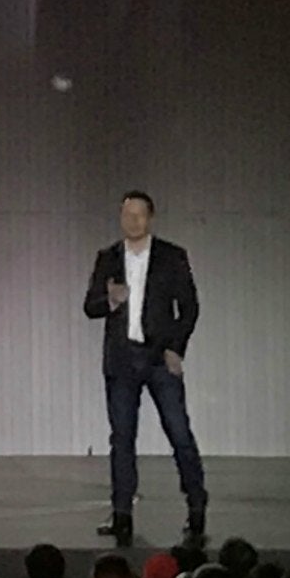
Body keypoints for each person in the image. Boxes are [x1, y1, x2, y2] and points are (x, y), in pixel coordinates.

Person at [83, 191, 206, 547]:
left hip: (158, 358)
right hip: (122, 361)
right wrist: (110, 300)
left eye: (139, 215)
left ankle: (196, 503)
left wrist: (175, 348)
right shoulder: (108, 258)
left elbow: (190, 307)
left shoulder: (171, 256)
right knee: (121, 439)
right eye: (126, 215)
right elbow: (89, 307)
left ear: (150, 219)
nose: (132, 221)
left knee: (179, 432)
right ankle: (122, 513)